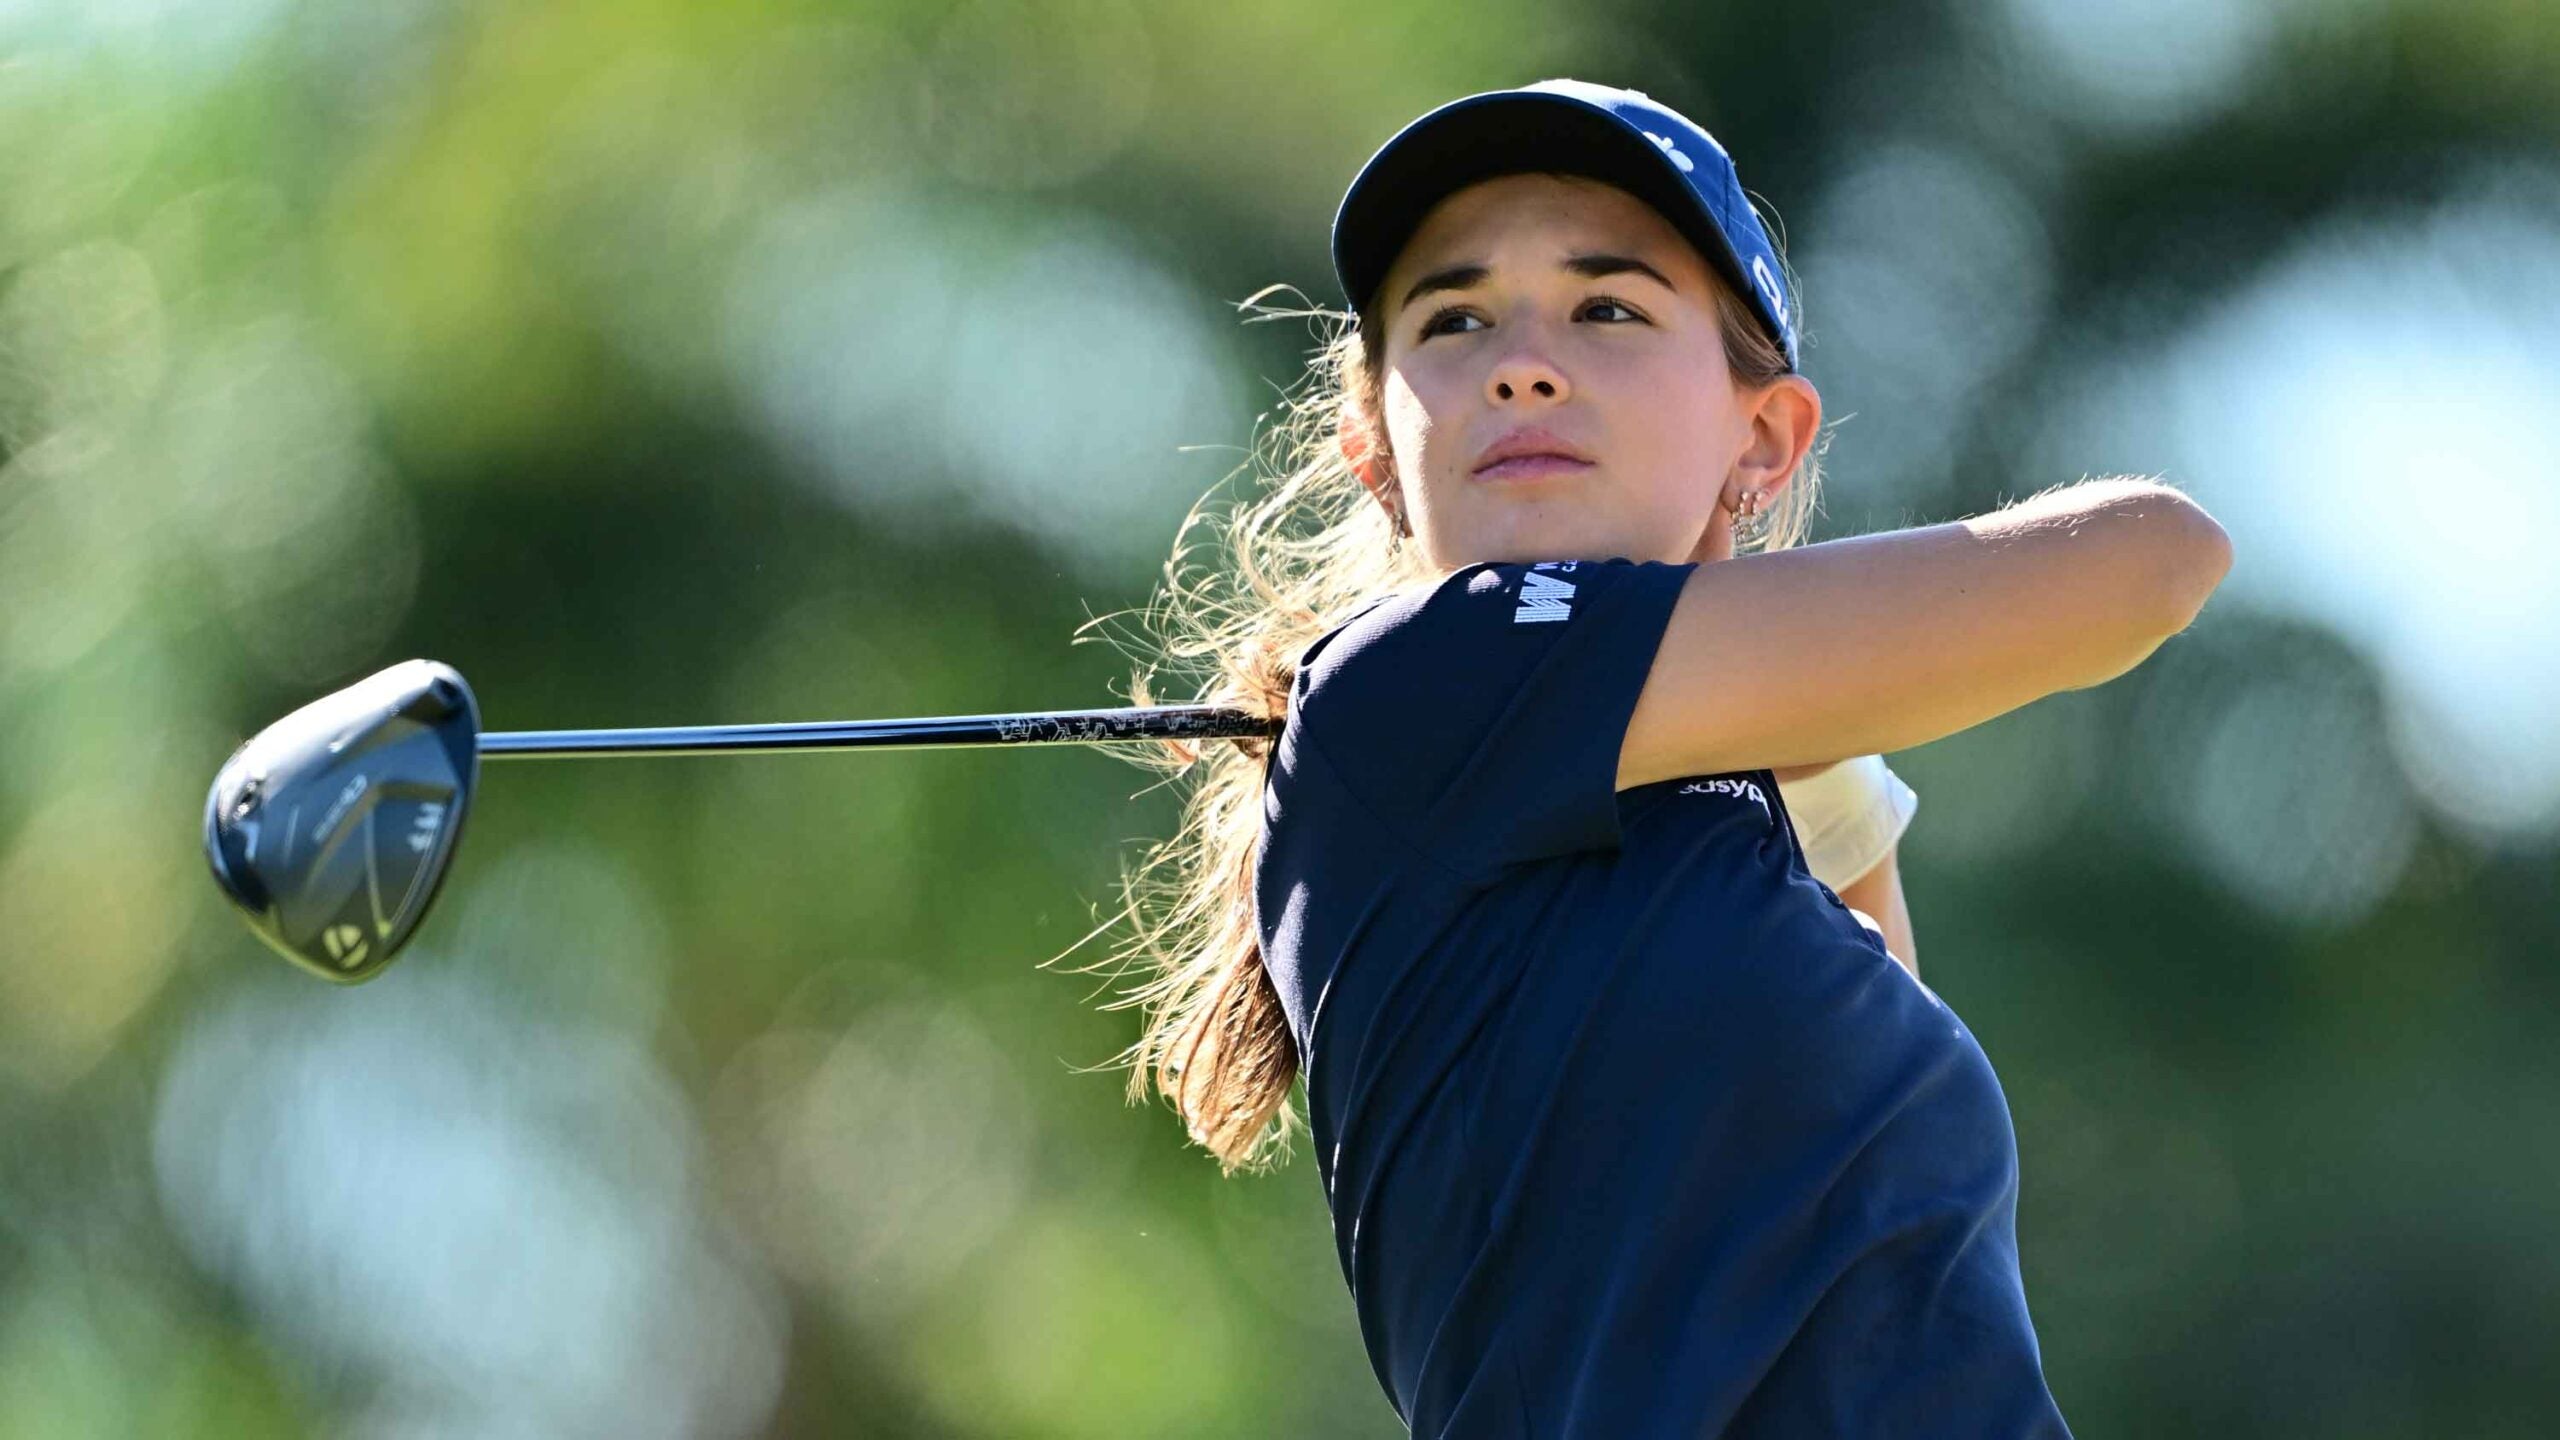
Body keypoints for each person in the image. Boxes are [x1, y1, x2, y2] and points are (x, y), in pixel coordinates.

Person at [1088, 78, 2231, 1437]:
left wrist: (1796, 734)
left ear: (1766, 433)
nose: (1522, 361)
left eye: (1607, 307)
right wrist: (1801, 696)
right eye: (1453, 320)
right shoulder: (1421, 681)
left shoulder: (1728, 828)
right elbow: (2150, 558)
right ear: (1374, 448)